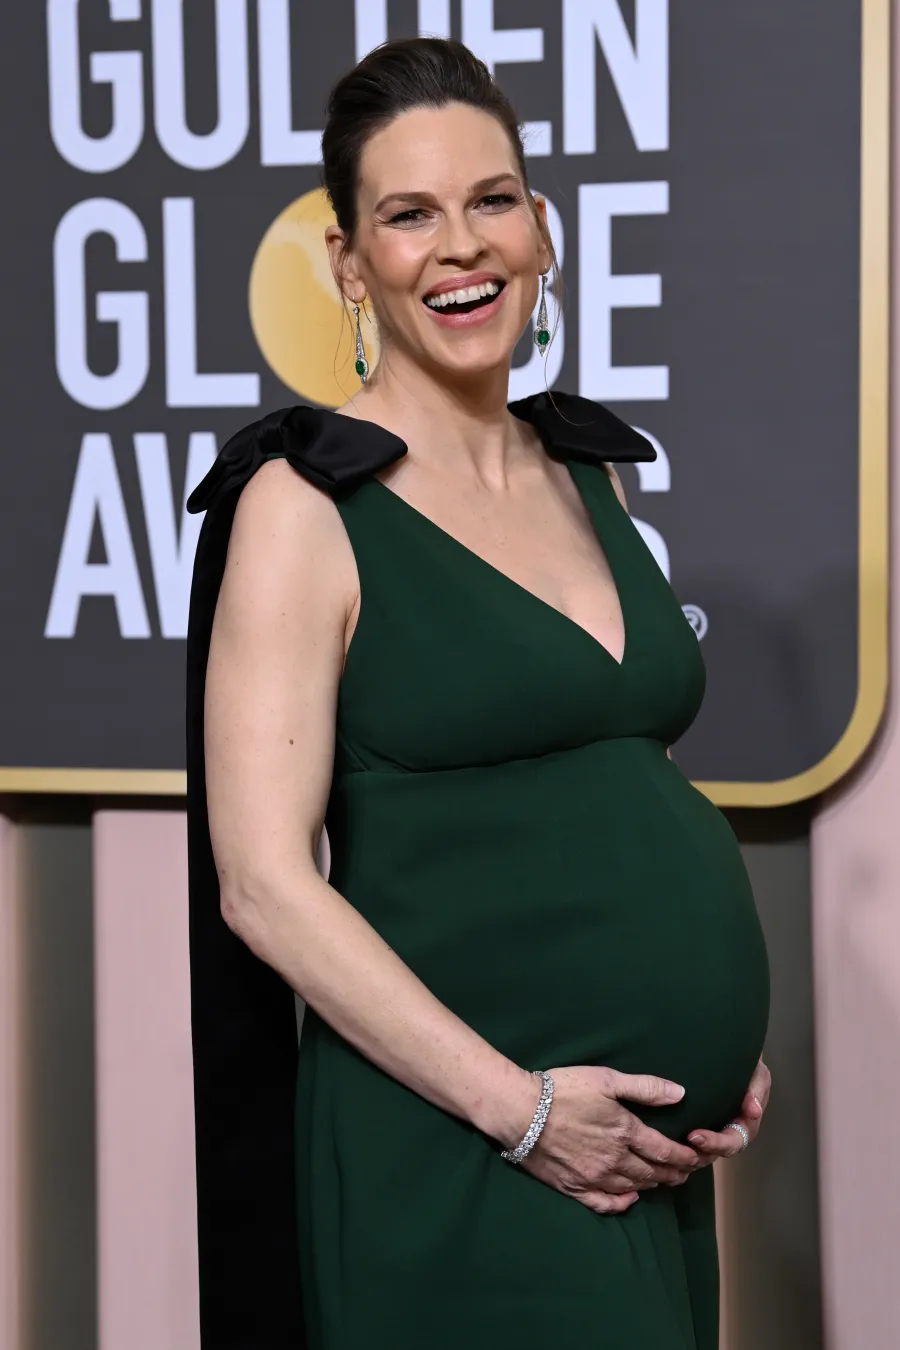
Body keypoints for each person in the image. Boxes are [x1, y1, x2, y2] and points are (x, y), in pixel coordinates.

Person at [185, 36, 771, 1350]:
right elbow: (264, 883)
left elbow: (614, 788)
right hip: (467, 1148)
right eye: (408, 214)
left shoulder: (591, 473)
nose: (462, 247)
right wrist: (523, 1108)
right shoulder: (304, 507)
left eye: (492, 199)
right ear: (348, 262)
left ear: (544, 228)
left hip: (641, 1159)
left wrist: (714, 1043)